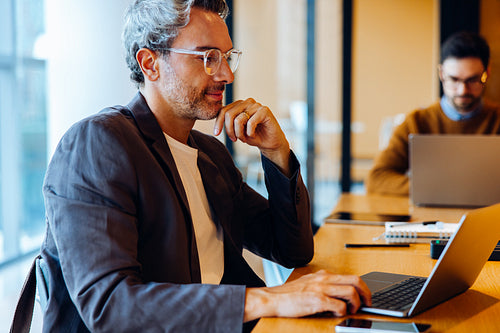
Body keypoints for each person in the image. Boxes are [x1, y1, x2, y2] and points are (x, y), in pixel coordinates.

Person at [39, 0, 371, 332]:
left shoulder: (210, 154)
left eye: (226, 57)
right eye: (207, 57)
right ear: (150, 63)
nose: (225, 74)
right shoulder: (99, 143)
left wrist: (277, 152)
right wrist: (268, 298)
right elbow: (110, 305)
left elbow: (292, 250)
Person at [366, 31, 500, 196]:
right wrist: (435, 189)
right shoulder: (417, 122)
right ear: (441, 74)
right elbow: (376, 179)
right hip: (430, 219)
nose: (462, 90)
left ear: (487, 72)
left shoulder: (497, 119)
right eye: (454, 79)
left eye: (472, 79)